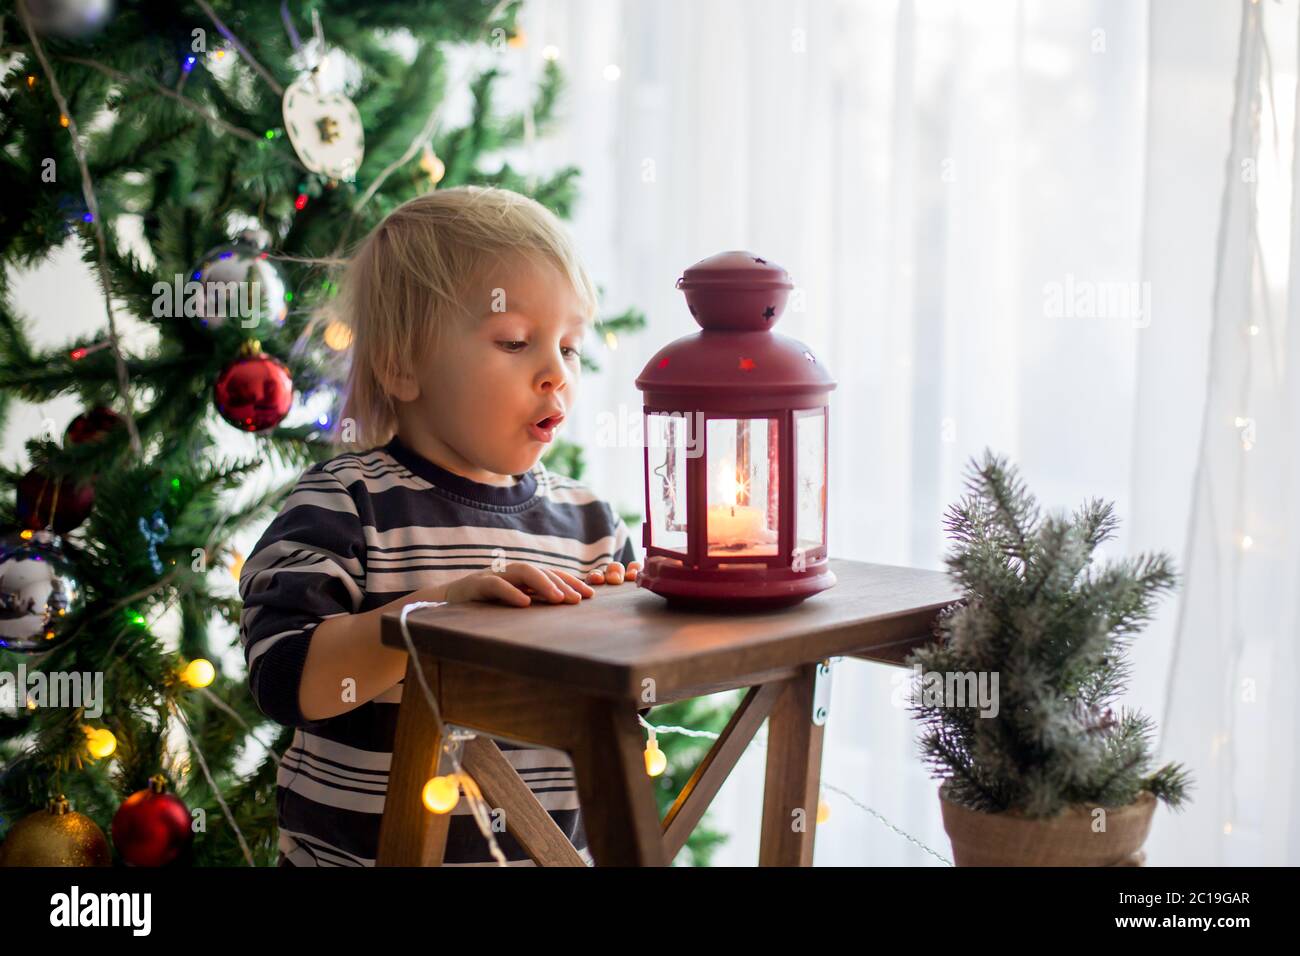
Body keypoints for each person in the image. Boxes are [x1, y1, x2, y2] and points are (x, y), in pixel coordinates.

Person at [239, 186, 641, 867]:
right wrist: (432, 615)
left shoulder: (590, 524)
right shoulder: (348, 504)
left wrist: (621, 625)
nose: (555, 375)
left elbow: (631, 715)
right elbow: (285, 680)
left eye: (570, 348)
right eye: (515, 341)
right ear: (401, 363)